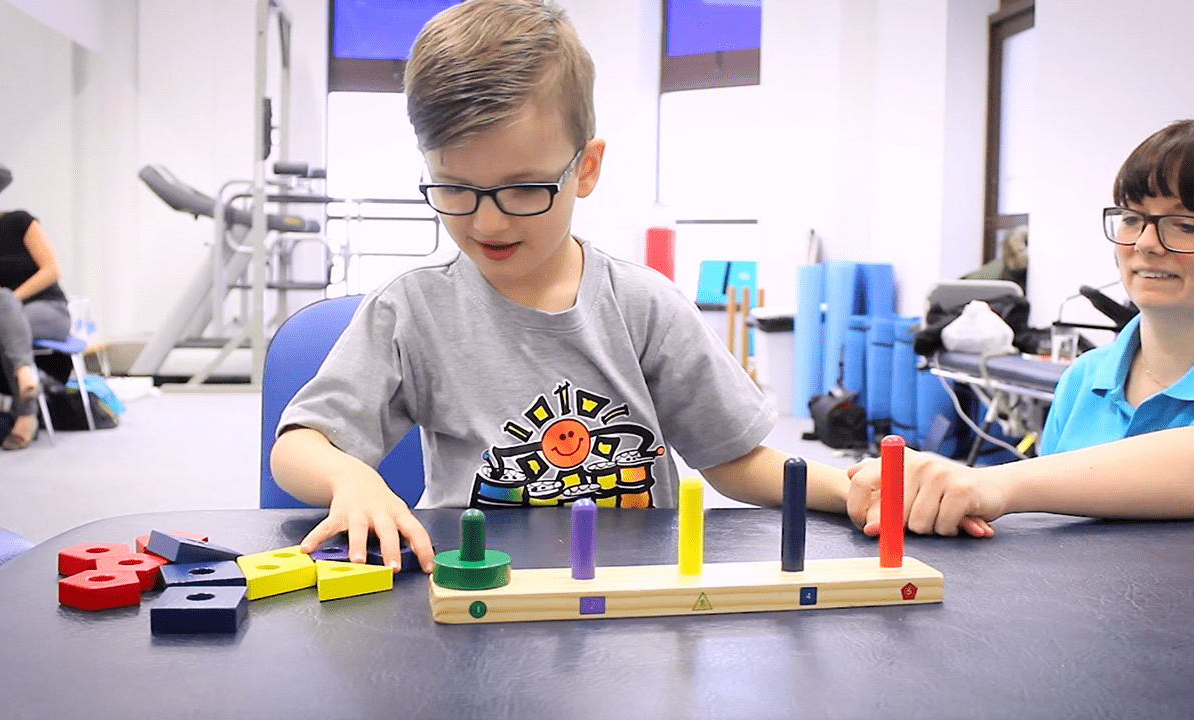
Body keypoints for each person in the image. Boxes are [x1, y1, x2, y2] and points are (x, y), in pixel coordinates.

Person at [271, 0, 852, 572]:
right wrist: (350, 476)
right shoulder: (411, 312)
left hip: (633, 613)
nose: (487, 222)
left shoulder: (645, 308)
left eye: (525, 188)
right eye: (454, 188)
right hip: (478, 605)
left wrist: (856, 491)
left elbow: (737, 459)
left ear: (586, 168)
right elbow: (296, 447)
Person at [846, 119, 1194, 537]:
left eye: (1186, 226)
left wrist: (995, 483)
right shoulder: (1084, 379)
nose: (1144, 243)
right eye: (1131, 218)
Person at [0, 209, 71, 450]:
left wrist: (11, 303)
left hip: (50, 310)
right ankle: (25, 373)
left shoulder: (18, 222)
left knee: (7, 311)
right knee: (7, 323)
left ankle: (27, 414)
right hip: (10, 323)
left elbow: (51, 269)